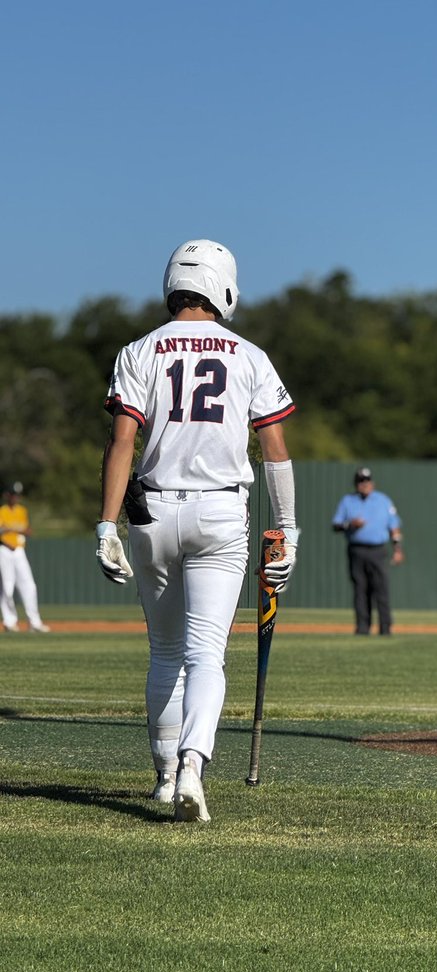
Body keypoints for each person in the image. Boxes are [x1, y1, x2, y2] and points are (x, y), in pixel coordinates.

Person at [95, 239, 298, 823]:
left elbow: (122, 442)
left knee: (164, 653)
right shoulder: (249, 355)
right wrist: (287, 530)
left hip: (152, 512)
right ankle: (191, 766)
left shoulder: (138, 350)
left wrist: (106, 524)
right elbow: (275, 448)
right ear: (224, 287)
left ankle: (162, 778)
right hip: (220, 514)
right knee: (207, 654)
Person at [332, 467, 403, 635]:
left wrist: (397, 549)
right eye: (360, 481)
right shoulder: (348, 501)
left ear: (372, 483)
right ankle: (362, 628)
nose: (364, 484)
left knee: (381, 589)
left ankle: (385, 628)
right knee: (360, 589)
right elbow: (336, 524)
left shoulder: (383, 500)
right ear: (356, 484)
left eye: (366, 481)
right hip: (357, 550)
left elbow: (394, 527)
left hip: (378, 551)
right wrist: (350, 524)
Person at [0, 481, 50, 633]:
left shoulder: (22, 511)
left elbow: (28, 530)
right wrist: (11, 530)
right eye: (13, 495)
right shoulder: (2, 511)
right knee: (7, 587)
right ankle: (9, 622)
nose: (16, 498)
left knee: (29, 585)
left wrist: (10, 529)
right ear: (7, 495)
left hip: (19, 551)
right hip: (4, 550)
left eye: (18, 495)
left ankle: (34, 622)